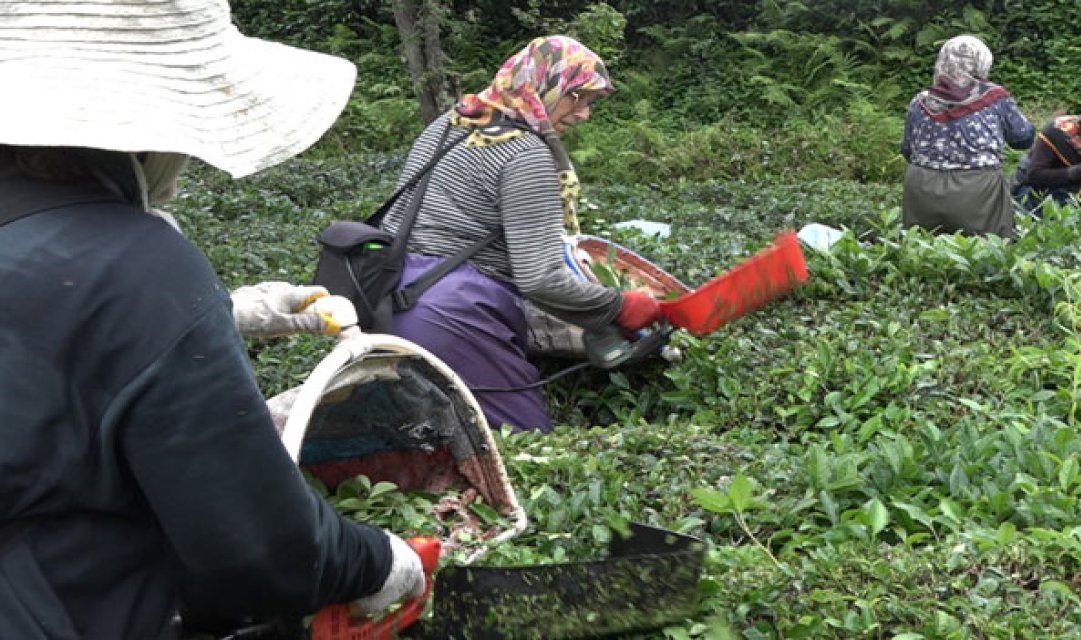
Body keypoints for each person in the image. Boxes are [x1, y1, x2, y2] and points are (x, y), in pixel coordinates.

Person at [0, 0, 425, 637]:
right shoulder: (136, 265)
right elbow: (260, 550)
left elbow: (39, 332)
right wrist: (379, 560)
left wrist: (229, 310)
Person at [380, 35, 662, 434]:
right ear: (542, 84)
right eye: (576, 97)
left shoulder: (453, 121)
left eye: (590, 102)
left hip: (385, 304)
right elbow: (540, 278)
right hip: (454, 318)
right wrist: (617, 307)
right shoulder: (524, 154)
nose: (584, 114)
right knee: (521, 447)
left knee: (419, 447)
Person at [900, 35, 1036, 239]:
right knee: (984, 252)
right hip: (978, 191)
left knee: (922, 252)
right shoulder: (995, 98)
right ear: (982, 62)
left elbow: (907, 150)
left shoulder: (919, 101)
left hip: (922, 188)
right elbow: (1022, 138)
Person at [1011, 105, 1081, 213]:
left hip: (1076, 193)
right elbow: (1034, 174)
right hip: (1037, 188)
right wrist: (1071, 173)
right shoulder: (1056, 134)